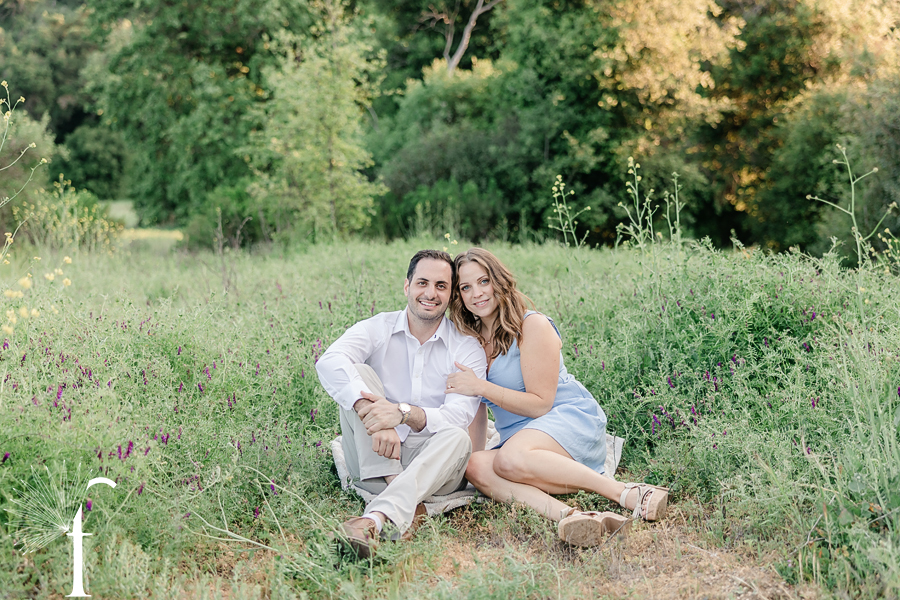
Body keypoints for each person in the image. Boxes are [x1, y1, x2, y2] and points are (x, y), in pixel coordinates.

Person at [445, 247, 668, 547]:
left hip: (566, 418)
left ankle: (625, 492)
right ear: (459, 296)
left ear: (499, 281)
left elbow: (541, 403)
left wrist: (480, 387)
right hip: (521, 438)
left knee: (510, 458)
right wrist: (470, 459)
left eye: (484, 281)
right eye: (466, 287)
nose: (477, 293)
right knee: (475, 466)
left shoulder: (530, 326)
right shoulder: (470, 342)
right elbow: (478, 409)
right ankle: (573, 515)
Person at [316, 249, 487, 558]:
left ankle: (373, 519)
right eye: (422, 283)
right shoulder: (377, 328)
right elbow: (329, 361)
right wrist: (374, 415)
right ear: (407, 287)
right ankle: (406, 502)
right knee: (357, 374)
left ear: (450, 296)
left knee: (458, 437)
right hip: (374, 458)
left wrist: (401, 414)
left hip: (435, 466)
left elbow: (459, 414)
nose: (430, 293)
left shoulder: (466, 347)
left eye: (441, 286)